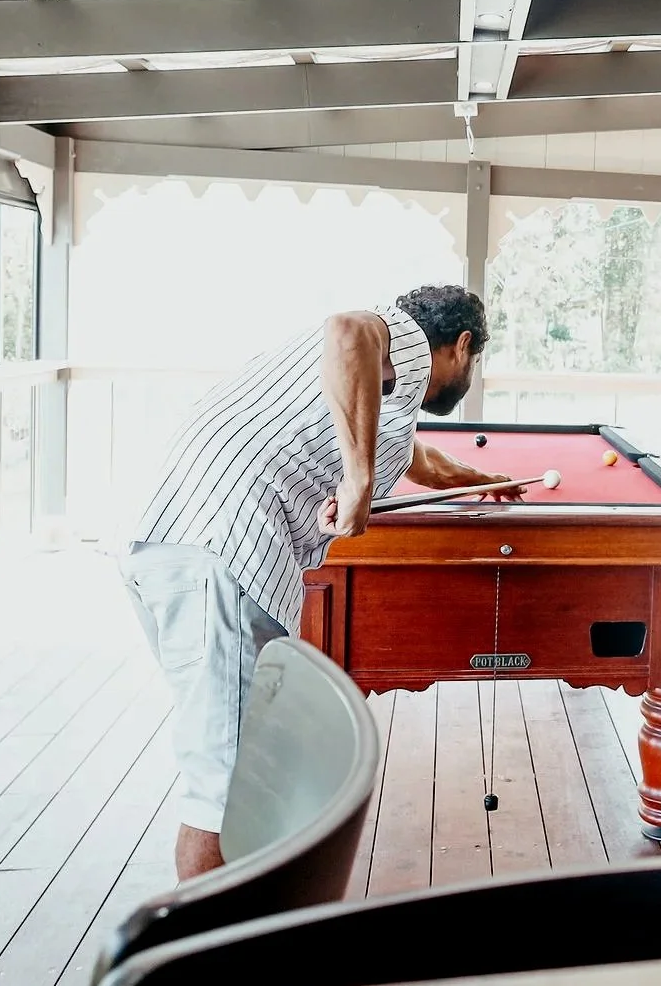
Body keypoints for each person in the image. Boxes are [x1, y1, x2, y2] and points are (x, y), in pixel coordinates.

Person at [121, 285, 517, 879]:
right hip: (218, 552)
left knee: (241, 765)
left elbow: (412, 458)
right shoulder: (398, 339)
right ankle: (208, 963)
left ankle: (242, 935)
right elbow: (347, 329)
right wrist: (357, 480)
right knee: (224, 784)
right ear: (460, 346)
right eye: (473, 360)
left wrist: (479, 477)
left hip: (183, 542)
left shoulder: (381, 394)